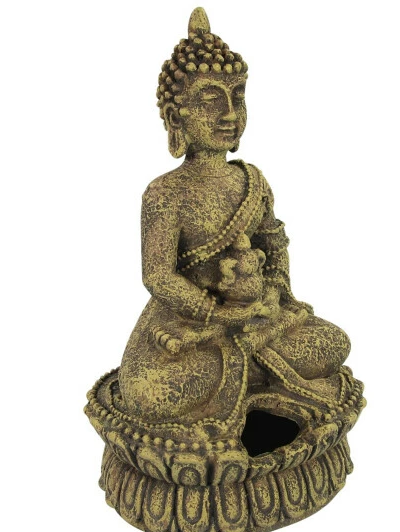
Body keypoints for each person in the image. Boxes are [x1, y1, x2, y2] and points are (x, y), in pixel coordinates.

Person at [119, 9, 352, 428]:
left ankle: (250, 370)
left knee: (333, 342)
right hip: (186, 328)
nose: (229, 113)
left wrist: (275, 295)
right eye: (210, 101)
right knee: (148, 392)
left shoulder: (252, 180)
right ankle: (259, 372)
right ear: (176, 117)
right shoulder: (165, 193)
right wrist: (217, 315)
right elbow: (157, 276)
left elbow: (273, 245)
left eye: (238, 97)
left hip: (257, 313)